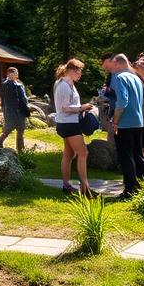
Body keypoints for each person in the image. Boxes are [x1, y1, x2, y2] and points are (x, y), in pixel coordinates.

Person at [110, 54, 144, 199]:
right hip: (138, 122)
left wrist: (115, 121)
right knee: (138, 155)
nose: (113, 68)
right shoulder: (137, 78)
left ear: (120, 64)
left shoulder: (120, 78)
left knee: (126, 156)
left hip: (125, 124)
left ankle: (130, 189)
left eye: (114, 65)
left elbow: (122, 102)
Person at [53, 58, 93, 197]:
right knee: (83, 153)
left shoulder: (67, 83)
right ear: (72, 71)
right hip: (69, 124)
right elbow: (64, 107)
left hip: (66, 123)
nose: (80, 74)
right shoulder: (64, 85)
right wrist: (83, 107)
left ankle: (66, 186)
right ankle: (85, 188)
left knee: (69, 154)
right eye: (79, 71)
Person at [0, 67, 30, 150]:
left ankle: (20, 149)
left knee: (20, 129)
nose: (16, 74)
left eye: (16, 73)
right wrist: (5, 109)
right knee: (10, 126)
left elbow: (24, 98)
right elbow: (5, 98)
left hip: (21, 109)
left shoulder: (19, 84)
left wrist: (26, 107)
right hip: (11, 110)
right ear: (8, 74)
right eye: (13, 73)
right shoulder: (6, 85)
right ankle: (0, 140)